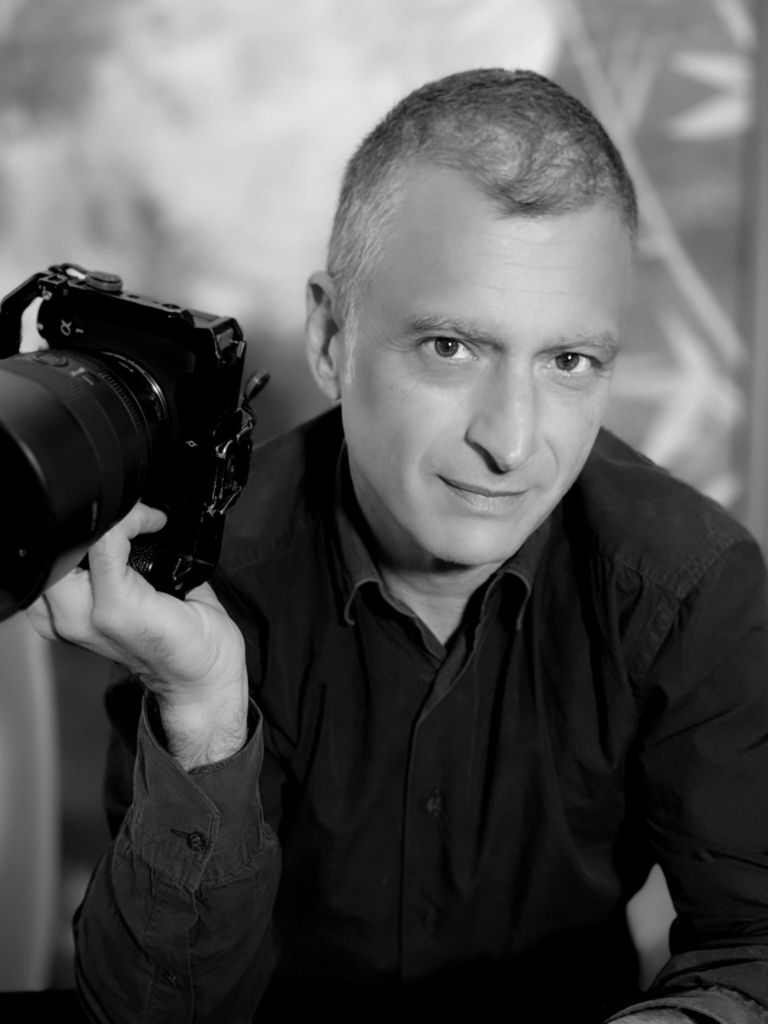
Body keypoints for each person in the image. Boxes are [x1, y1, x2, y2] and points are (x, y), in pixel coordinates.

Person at [28, 69, 768, 1024]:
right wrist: (201, 711)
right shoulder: (209, 578)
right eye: (450, 348)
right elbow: (154, 1014)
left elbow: (751, 942)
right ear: (333, 338)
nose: (510, 441)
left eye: (569, 361)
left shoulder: (688, 584)